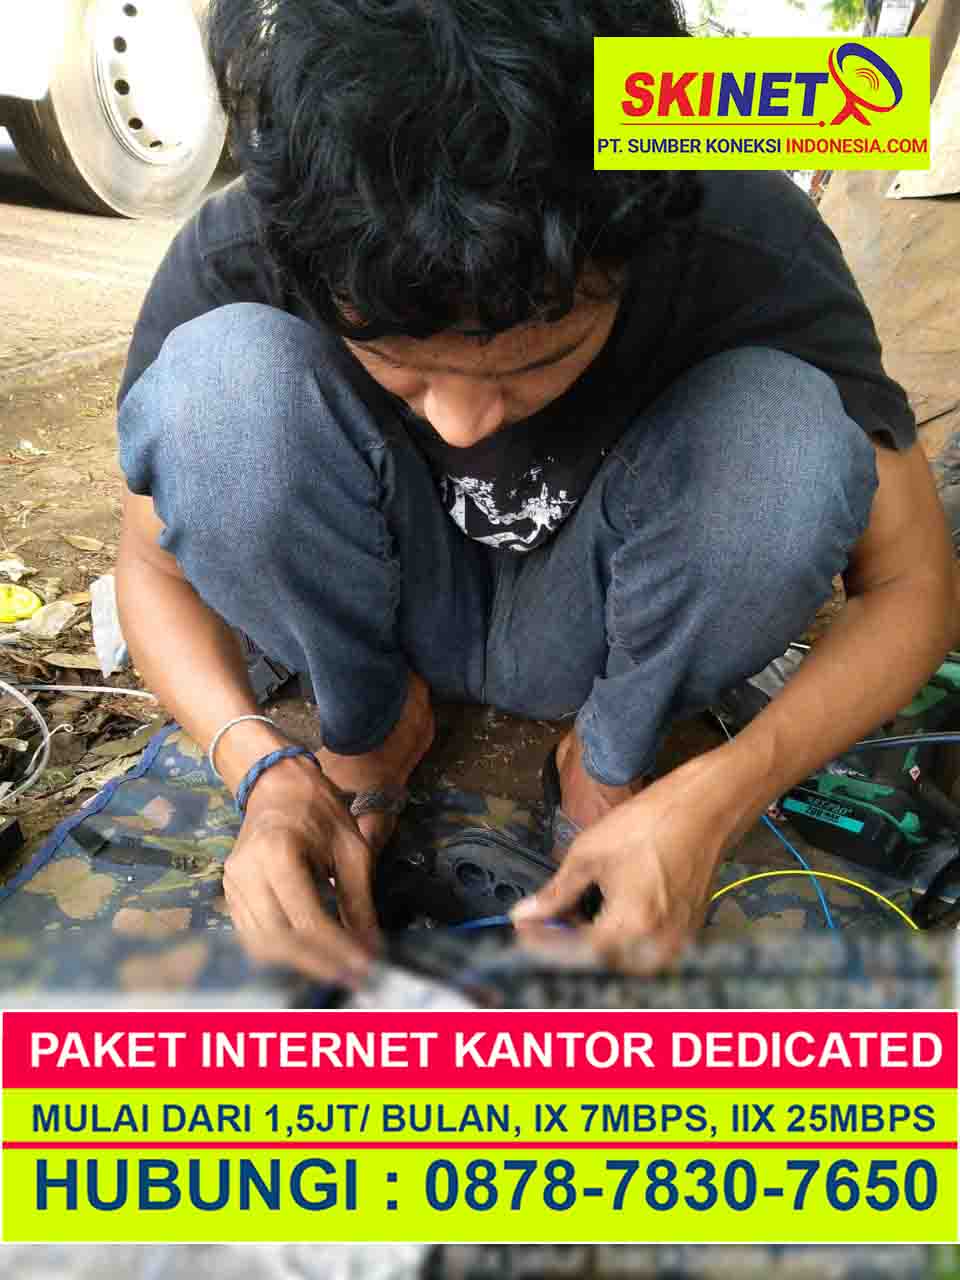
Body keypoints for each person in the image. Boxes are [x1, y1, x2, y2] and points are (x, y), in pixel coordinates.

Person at [115, 0, 956, 981]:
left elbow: (914, 587)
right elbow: (150, 568)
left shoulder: (734, 226)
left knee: (789, 437)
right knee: (214, 394)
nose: (464, 424)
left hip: (602, 626)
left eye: (535, 362)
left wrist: (722, 793)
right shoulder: (269, 226)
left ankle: (608, 761)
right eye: (400, 365)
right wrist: (256, 765)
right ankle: (371, 729)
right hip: (385, 604)